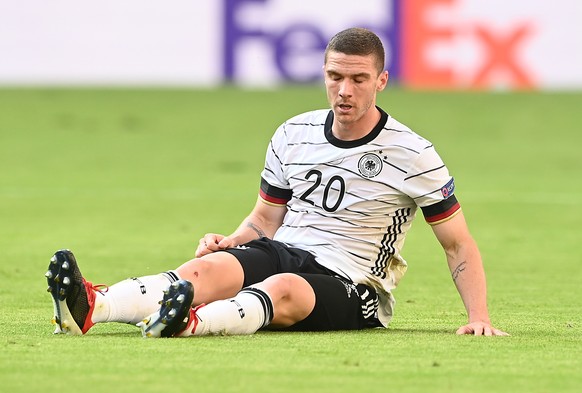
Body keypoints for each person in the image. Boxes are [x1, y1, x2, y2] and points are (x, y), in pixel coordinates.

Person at [46, 27, 508, 338]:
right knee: (206, 269)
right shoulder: (294, 132)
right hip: (285, 247)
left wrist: (479, 318)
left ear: (381, 80)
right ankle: (91, 306)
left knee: (283, 286)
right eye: (334, 76)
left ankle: (189, 324)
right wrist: (232, 240)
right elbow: (266, 217)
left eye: (358, 79)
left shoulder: (413, 152)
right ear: (323, 75)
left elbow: (457, 244)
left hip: (354, 282)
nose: (344, 90)